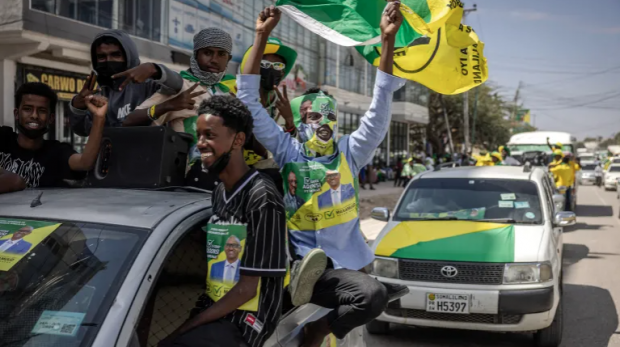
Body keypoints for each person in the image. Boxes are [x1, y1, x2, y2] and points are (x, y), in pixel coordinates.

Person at [238, 4, 406, 346]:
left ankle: (319, 330)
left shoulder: (351, 153)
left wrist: (387, 41)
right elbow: (248, 102)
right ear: (299, 123)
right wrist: (261, 35)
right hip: (300, 268)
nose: (321, 124)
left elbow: (379, 106)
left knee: (372, 298)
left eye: (326, 117)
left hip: (347, 271)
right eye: (311, 117)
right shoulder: (287, 152)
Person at [158, 96, 287, 347]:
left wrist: (184, 329)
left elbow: (248, 289)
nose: (201, 144)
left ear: (238, 140)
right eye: (199, 135)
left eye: (210, 135)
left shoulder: (262, 197)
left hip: (246, 318)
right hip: (218, 304)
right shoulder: (220, 191)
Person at [70, 30, 183, 134]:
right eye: (101, 57)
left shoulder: (149, 84)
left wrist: (155, 69)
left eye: (116, 55)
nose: (109, 60)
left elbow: (178, 85)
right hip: (111, 154)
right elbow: (83, 130)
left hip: (151, 153)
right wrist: (78, 106)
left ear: (129, 55)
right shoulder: (98, 92)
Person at [1, 82, 108, 191]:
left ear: (51, 118)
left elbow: (85, 162)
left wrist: (99, 117)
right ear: (16, 114)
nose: (34, 115)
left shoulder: (56, 152)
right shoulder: (3, 138)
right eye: (27, 109)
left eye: (42, 111)